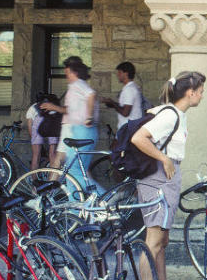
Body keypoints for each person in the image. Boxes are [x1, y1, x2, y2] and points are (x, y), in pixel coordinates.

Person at [131, 71, 206, 280]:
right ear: (190, 92)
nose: (202, 94)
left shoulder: (176, 114)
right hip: (157, 178)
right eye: (201, 90)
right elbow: (138, 138)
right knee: (152, 241)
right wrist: (163, 158)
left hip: (167, 177)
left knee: (162, 240)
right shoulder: (170, 114)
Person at [40, 56, 98, 191]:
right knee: (76, 169)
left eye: (67, 73)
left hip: (76, 129)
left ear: (74, 72)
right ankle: (78, 201)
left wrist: (88, 117)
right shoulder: (77, 86)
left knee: (70, 168)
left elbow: (91, 94)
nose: (66, 76)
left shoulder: (77, 85)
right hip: (76, 128)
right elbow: (71, 109)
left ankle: (46, 194)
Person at [102, 61, 144, 130]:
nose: (117, 75)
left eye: (119, 72)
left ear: (126, 73)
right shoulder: (132, 87)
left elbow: (125, 113)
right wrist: (112, 104)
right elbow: (126, 106)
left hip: (128, 129)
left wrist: (112, 103)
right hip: (128, 127)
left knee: (116, 141)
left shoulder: (129, 89)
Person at [25, 92, 59, 170]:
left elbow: (30, 126)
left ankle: (34, 180)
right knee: (52, 154)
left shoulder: (33, 107)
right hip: (52, 122)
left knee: (36, 155)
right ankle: (53, 178)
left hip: (37, 123)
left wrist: (33, 140)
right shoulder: (53, 106)